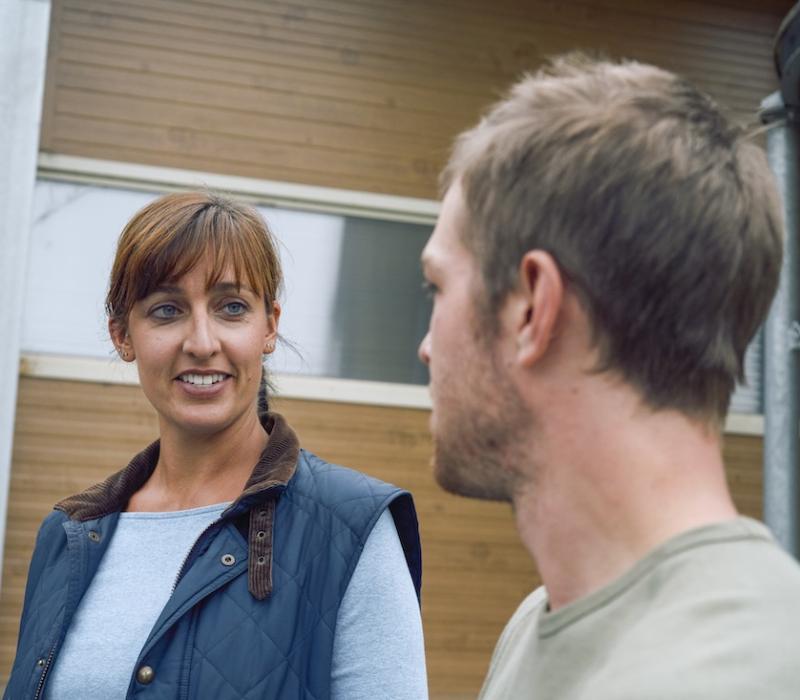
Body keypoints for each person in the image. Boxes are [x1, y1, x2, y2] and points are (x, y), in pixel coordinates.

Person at [418, 53, 800, 699]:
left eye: (436, 285)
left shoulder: (757, 672)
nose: (428, 347)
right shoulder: (536, 628)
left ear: (533, 309)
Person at [6, 192, 427, 699]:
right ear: (123, 336)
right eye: (167, 310)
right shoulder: (68, 536)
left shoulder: (351, 529)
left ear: (269, 325)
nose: (202, 342)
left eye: (231, 307)